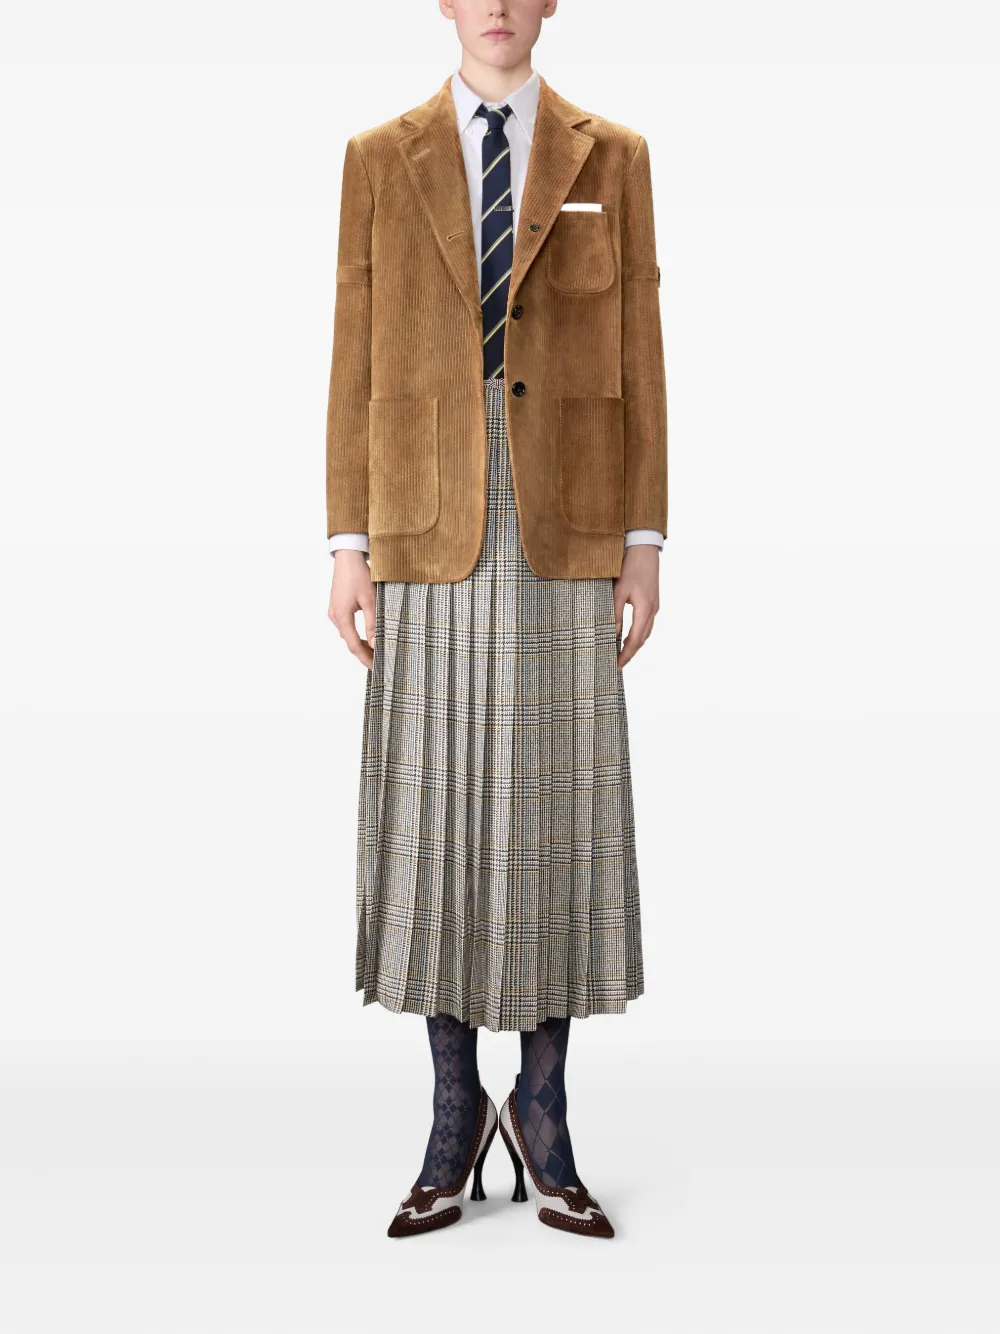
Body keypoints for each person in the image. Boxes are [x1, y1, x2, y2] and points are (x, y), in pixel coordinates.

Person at [325, 0, 667, 1240]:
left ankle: (546, 1107)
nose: (500, 7)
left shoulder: (612, 155)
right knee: (436, 817)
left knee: (553, 811)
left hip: (569, 508)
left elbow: (640, 346)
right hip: (423, 511)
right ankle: (452, 1108)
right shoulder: (378, 157)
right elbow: (353, 353)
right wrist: (346, 541)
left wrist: (645, 536)